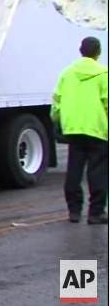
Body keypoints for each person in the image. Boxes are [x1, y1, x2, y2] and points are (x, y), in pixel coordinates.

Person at [51, 36, 109, 224]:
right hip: (97, 129)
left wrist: (57, 120)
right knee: (97, 171)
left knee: (74, 170)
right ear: (98, 53)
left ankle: (74, 211)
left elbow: (57, 101)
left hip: (73, 129)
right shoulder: (103, 73)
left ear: (80, 51)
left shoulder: (67, 73)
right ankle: (96, 213)